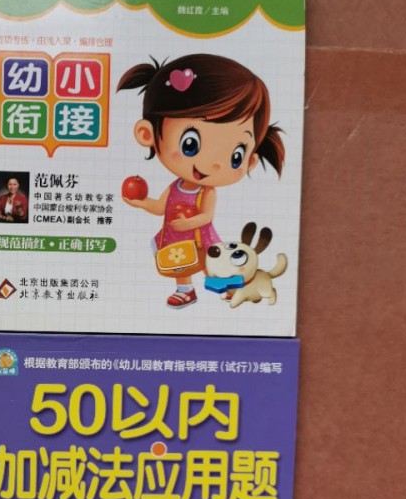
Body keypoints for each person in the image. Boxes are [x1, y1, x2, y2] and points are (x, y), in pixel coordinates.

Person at [118, 54, 284, 309]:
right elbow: (161, 207)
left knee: (210, 261)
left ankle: (223, 286)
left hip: (199, 235)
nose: (213, 164)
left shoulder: (206, 192)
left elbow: (207, 216)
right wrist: (141, 203)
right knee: (180, 264)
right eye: (191, 143)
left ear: (250, 161)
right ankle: (185, 290)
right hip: (176, 234)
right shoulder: (175, 186)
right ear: (147, 134)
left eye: (236, 155)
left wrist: (189, 222)